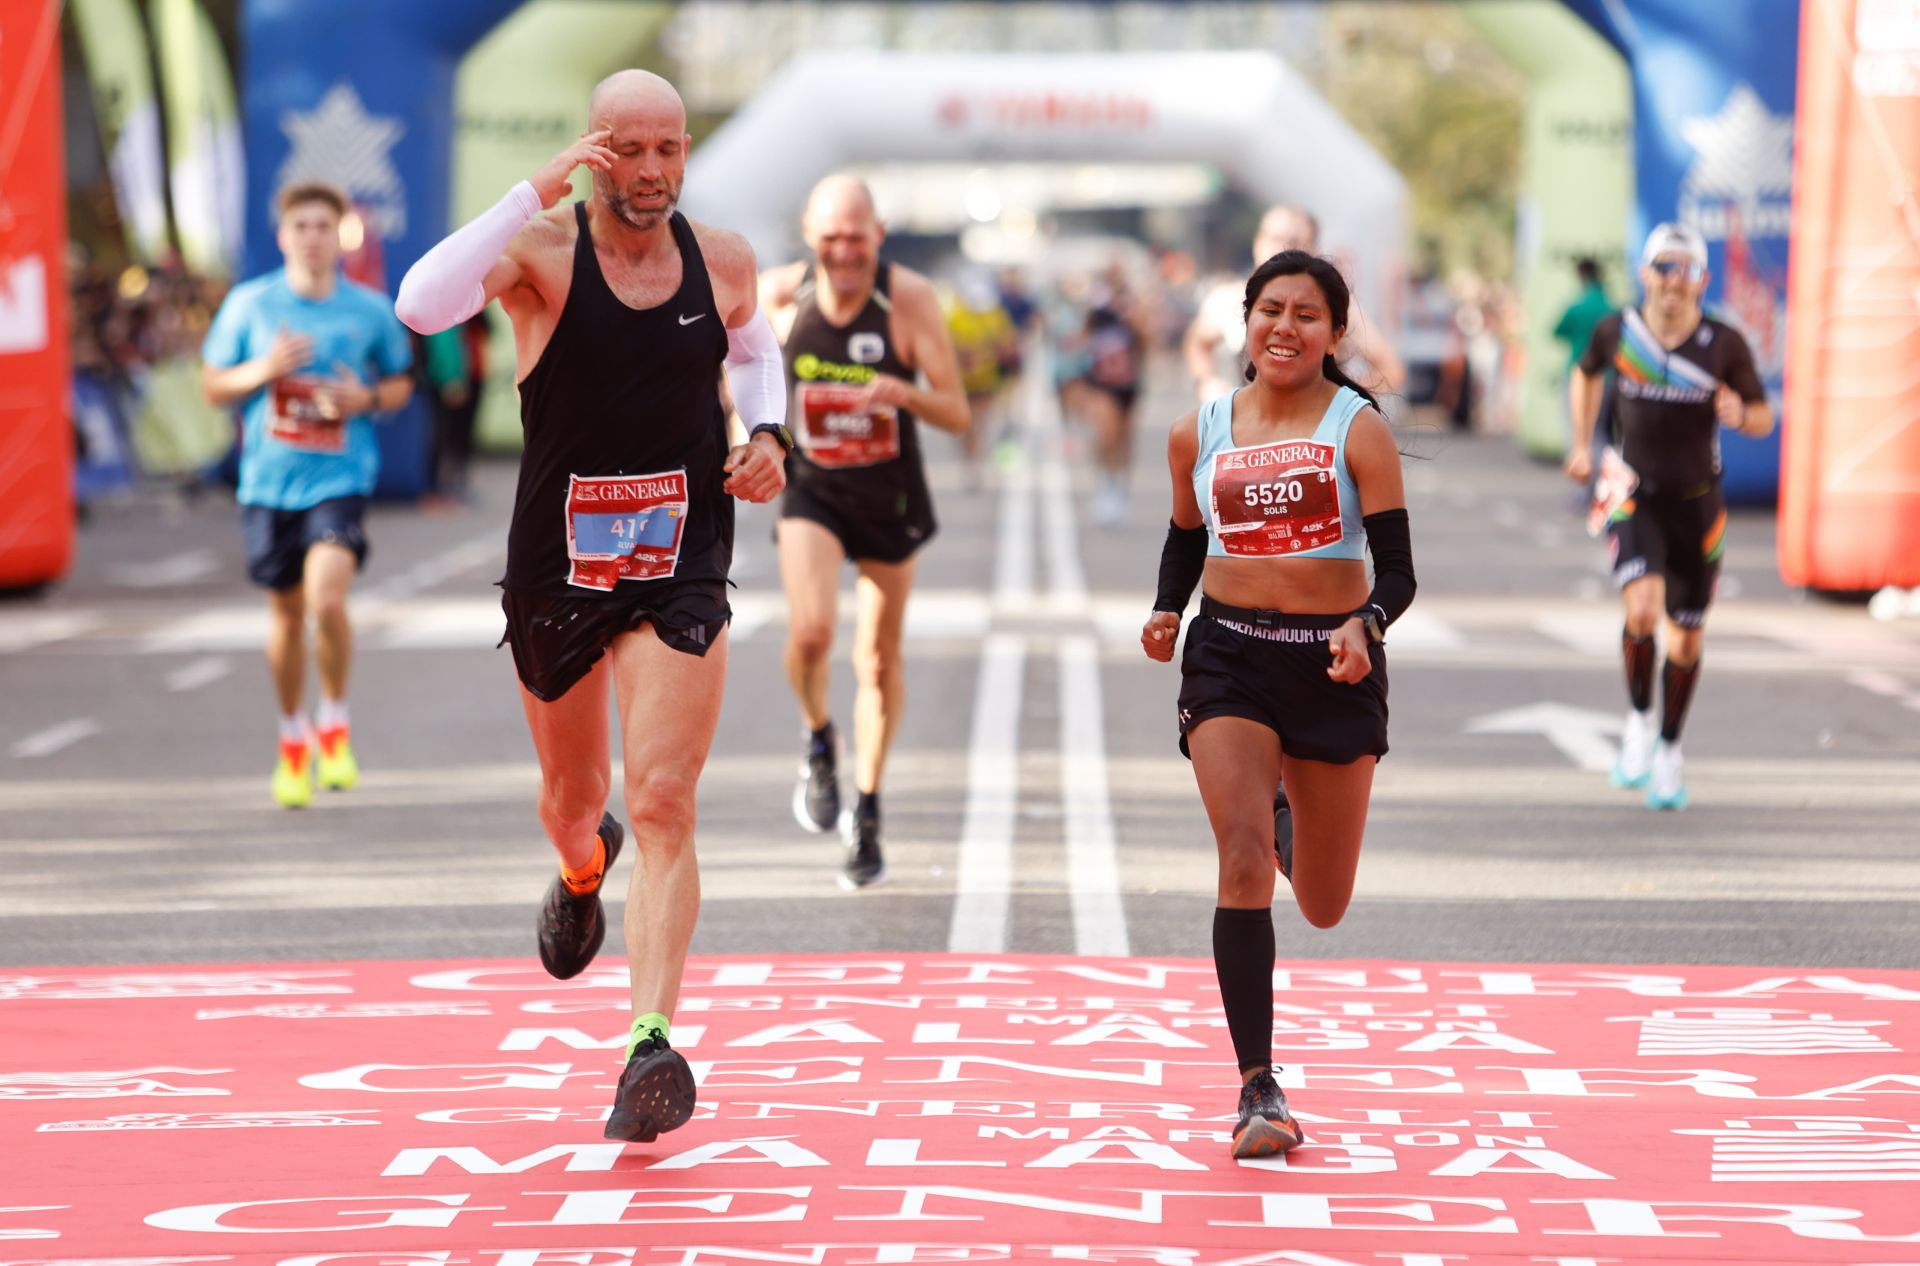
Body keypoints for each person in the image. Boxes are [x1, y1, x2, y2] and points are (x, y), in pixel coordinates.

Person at [394, 69, 791, 1142]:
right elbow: (420, 304)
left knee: (665, 798)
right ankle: (580, 863)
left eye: (669, 151)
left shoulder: (726, 261)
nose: (651, 173)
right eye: (627, 150)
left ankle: (648, 1042)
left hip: (682, 557)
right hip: (558, 568)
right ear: (593, 147)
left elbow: (757, 352)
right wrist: (529, 192)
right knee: (578, 799)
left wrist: (766, 438)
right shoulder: (540, 254)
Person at [1141, 250, 1416, 1160]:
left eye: (1307, 314)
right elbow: (1186, 539)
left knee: (1327, 902)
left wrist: (1365, 623)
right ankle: (1258, 1085)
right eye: (1270, 310)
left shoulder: (1357, 429)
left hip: (1330, 668)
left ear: (1334, 334)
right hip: (1229, 661)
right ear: (1244, 323)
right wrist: (1166, 610)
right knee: (1242, 859)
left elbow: (1400, 572)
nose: (1285, 328)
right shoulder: (1199, 431)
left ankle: (1288, 812)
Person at [758, 175, 970, 890]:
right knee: (811, 635)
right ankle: (819, 739)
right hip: (813, 488)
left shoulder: (907, 299)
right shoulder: (779, 296)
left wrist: (902, 392)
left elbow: (956, 412)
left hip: (888, 493)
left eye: (857, 236)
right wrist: (743, 440)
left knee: (877, 661)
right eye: (831, 236)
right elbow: (743, 388)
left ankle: (868, 806)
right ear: (809, 235)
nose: (844, 250)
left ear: (878, 235)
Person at [200, 181, 414, 809]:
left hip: (340, 479)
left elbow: (401, 382)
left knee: (326, 598)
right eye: (302, 226)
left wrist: (364, 400)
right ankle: (293, 737)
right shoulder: (251, 305)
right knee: (287, 617)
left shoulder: (370, 310)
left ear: (341, 235)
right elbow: (214, 385)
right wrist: (265, 369)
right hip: (268, 483)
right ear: (283, 235)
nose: (313, 237)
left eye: (325, 226)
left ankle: (335, 723)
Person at [1564, 222, 1771, 810]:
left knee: (1685, 639)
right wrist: (1583, 444)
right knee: (1643, 606)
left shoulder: (1722, 343)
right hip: (1632, 493)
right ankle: (1636, 722)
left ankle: (1670, 750)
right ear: (1644, 273)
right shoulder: (1618, 331)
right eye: (1664, 267)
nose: (1674, 281)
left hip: (1698, 505)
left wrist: (1740, 412)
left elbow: (1764, 414)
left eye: (1687, 269)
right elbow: (1585, 372)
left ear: (1703, 280)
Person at [1183, 203, 1405, 403]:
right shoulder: (1228, 298)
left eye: (1293, 241)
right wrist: (1207, 382)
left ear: (1313, 249)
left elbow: (1390, 369)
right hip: (1253, 438)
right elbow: (1197, 341)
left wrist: (1341, 404)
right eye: (1274, 238)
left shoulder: (1335, 306)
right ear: (1258, 242)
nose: (1281, 248)